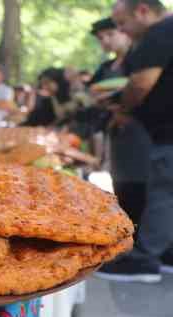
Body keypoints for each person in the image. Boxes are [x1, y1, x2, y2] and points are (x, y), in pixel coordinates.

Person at [98, 0, 173, 283]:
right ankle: (166, 251)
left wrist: (124, 108)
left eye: (122, 24)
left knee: (163, 193)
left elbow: (141, 83)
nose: (123, 32)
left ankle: (144, 259)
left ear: (142, 11)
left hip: (168, 133)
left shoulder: (162, 30)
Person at [89, 17, 152, 283]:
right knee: (122, 188)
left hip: (142, 132)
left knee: (140, 189)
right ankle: (124, 247)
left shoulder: (141, 61)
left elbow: (145, 92)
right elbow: (93, 92)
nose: (106, 41)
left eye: (110, 34)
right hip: (117, 134)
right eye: (101, 37)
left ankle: (138, 253)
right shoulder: (105, 67)